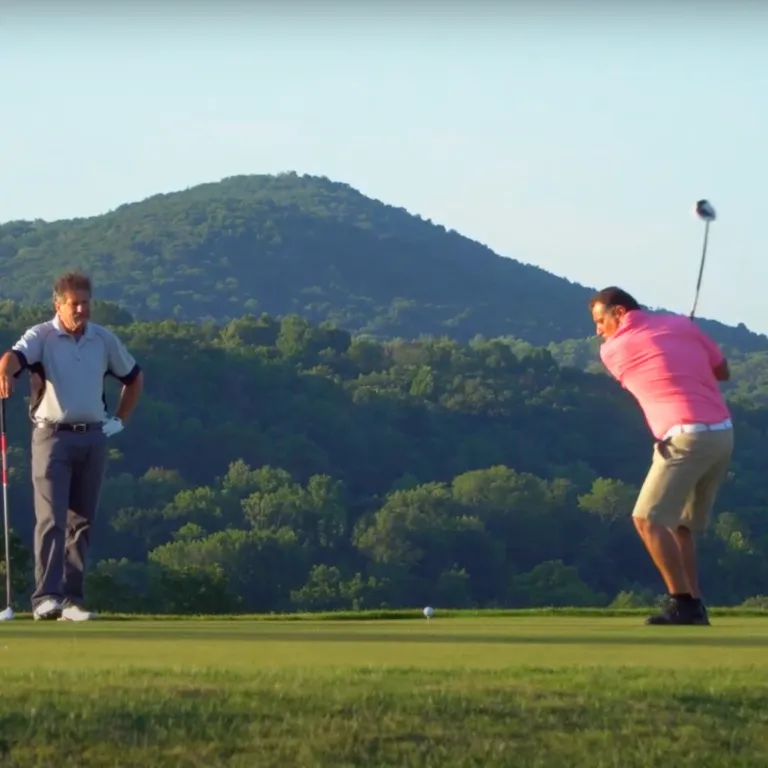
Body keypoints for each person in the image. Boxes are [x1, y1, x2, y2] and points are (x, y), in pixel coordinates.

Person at [0, 271, 143, 621]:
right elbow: (14, 358)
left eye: (85, 303)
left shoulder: (102, 339)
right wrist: (4, 371)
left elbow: (133, 378)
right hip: (52, 437)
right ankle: (46, 597)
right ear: (58, 305)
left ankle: (72, 601)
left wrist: (119, 421)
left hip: (94, 435)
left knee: (82, 521)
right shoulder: (42, 336)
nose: (81, 310)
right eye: (73, 304)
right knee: (51, 519)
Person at [589, 286, 733, 626]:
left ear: (620, 313)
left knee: (648, 520)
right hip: (723, 433)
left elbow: (650, 364)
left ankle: (682, 603)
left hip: (686, 437)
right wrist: (684, 337)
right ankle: (695, 605)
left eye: (600, 321)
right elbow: (722, 372)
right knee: (682, 526)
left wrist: (674, 343)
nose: (598, 330)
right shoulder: (682, 326)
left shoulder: (613, 350)